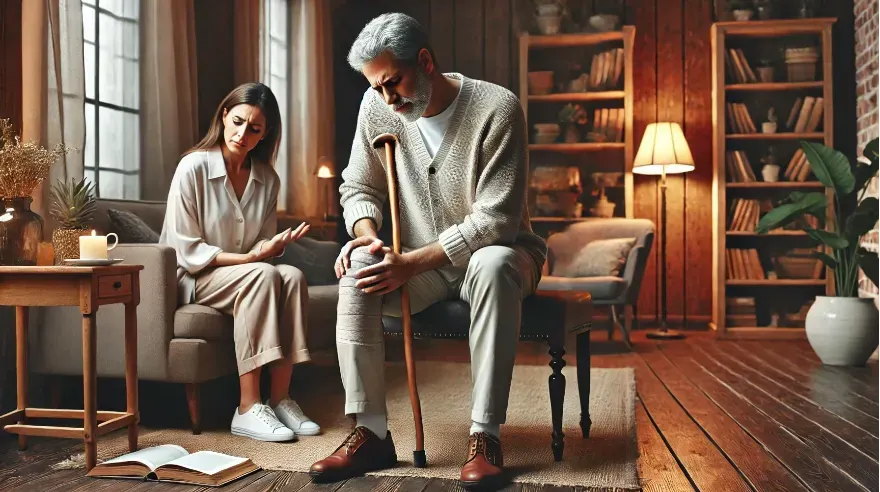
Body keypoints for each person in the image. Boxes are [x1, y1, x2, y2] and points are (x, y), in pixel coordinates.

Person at [308, 13, 546, 489]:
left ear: (425, 60)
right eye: (376, 87)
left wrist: (411, 262)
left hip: (503, 255)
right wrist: (368, 233)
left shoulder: (498, 108)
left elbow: (496, 221)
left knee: (492, 261)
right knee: (358, 266)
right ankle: (370, 431)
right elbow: (357, 185)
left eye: (393, 82)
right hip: (420, 264)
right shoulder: (376, 107)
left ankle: (485, 435)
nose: (387, 99)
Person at [160, 82, 321, 443]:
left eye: (255, 129)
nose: (243, 134)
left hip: (243, 272)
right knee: (262, 276)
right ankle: (248, 407)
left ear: (266, 135)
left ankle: (281, 399)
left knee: (292, 275)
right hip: (194, 276)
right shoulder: (193, 168)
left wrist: (271, 247)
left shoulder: (267, 179)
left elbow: (260, 242)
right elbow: (187, 250)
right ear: (223, 116)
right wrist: (252, 258)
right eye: (237, 122)